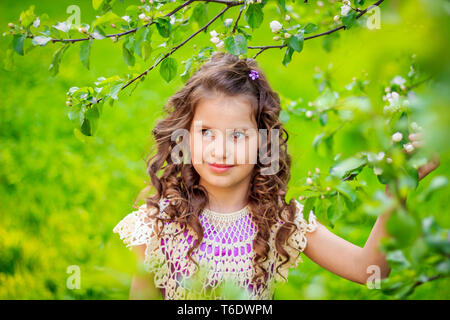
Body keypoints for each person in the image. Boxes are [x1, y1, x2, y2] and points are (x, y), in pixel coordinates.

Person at [113, 52, 439, 300]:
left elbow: (370, 271)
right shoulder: (160, 220)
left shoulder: (280, 219)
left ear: (264, 141)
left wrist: (400, 185)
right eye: (206, 132)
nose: (220, 150)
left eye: (238, 135)